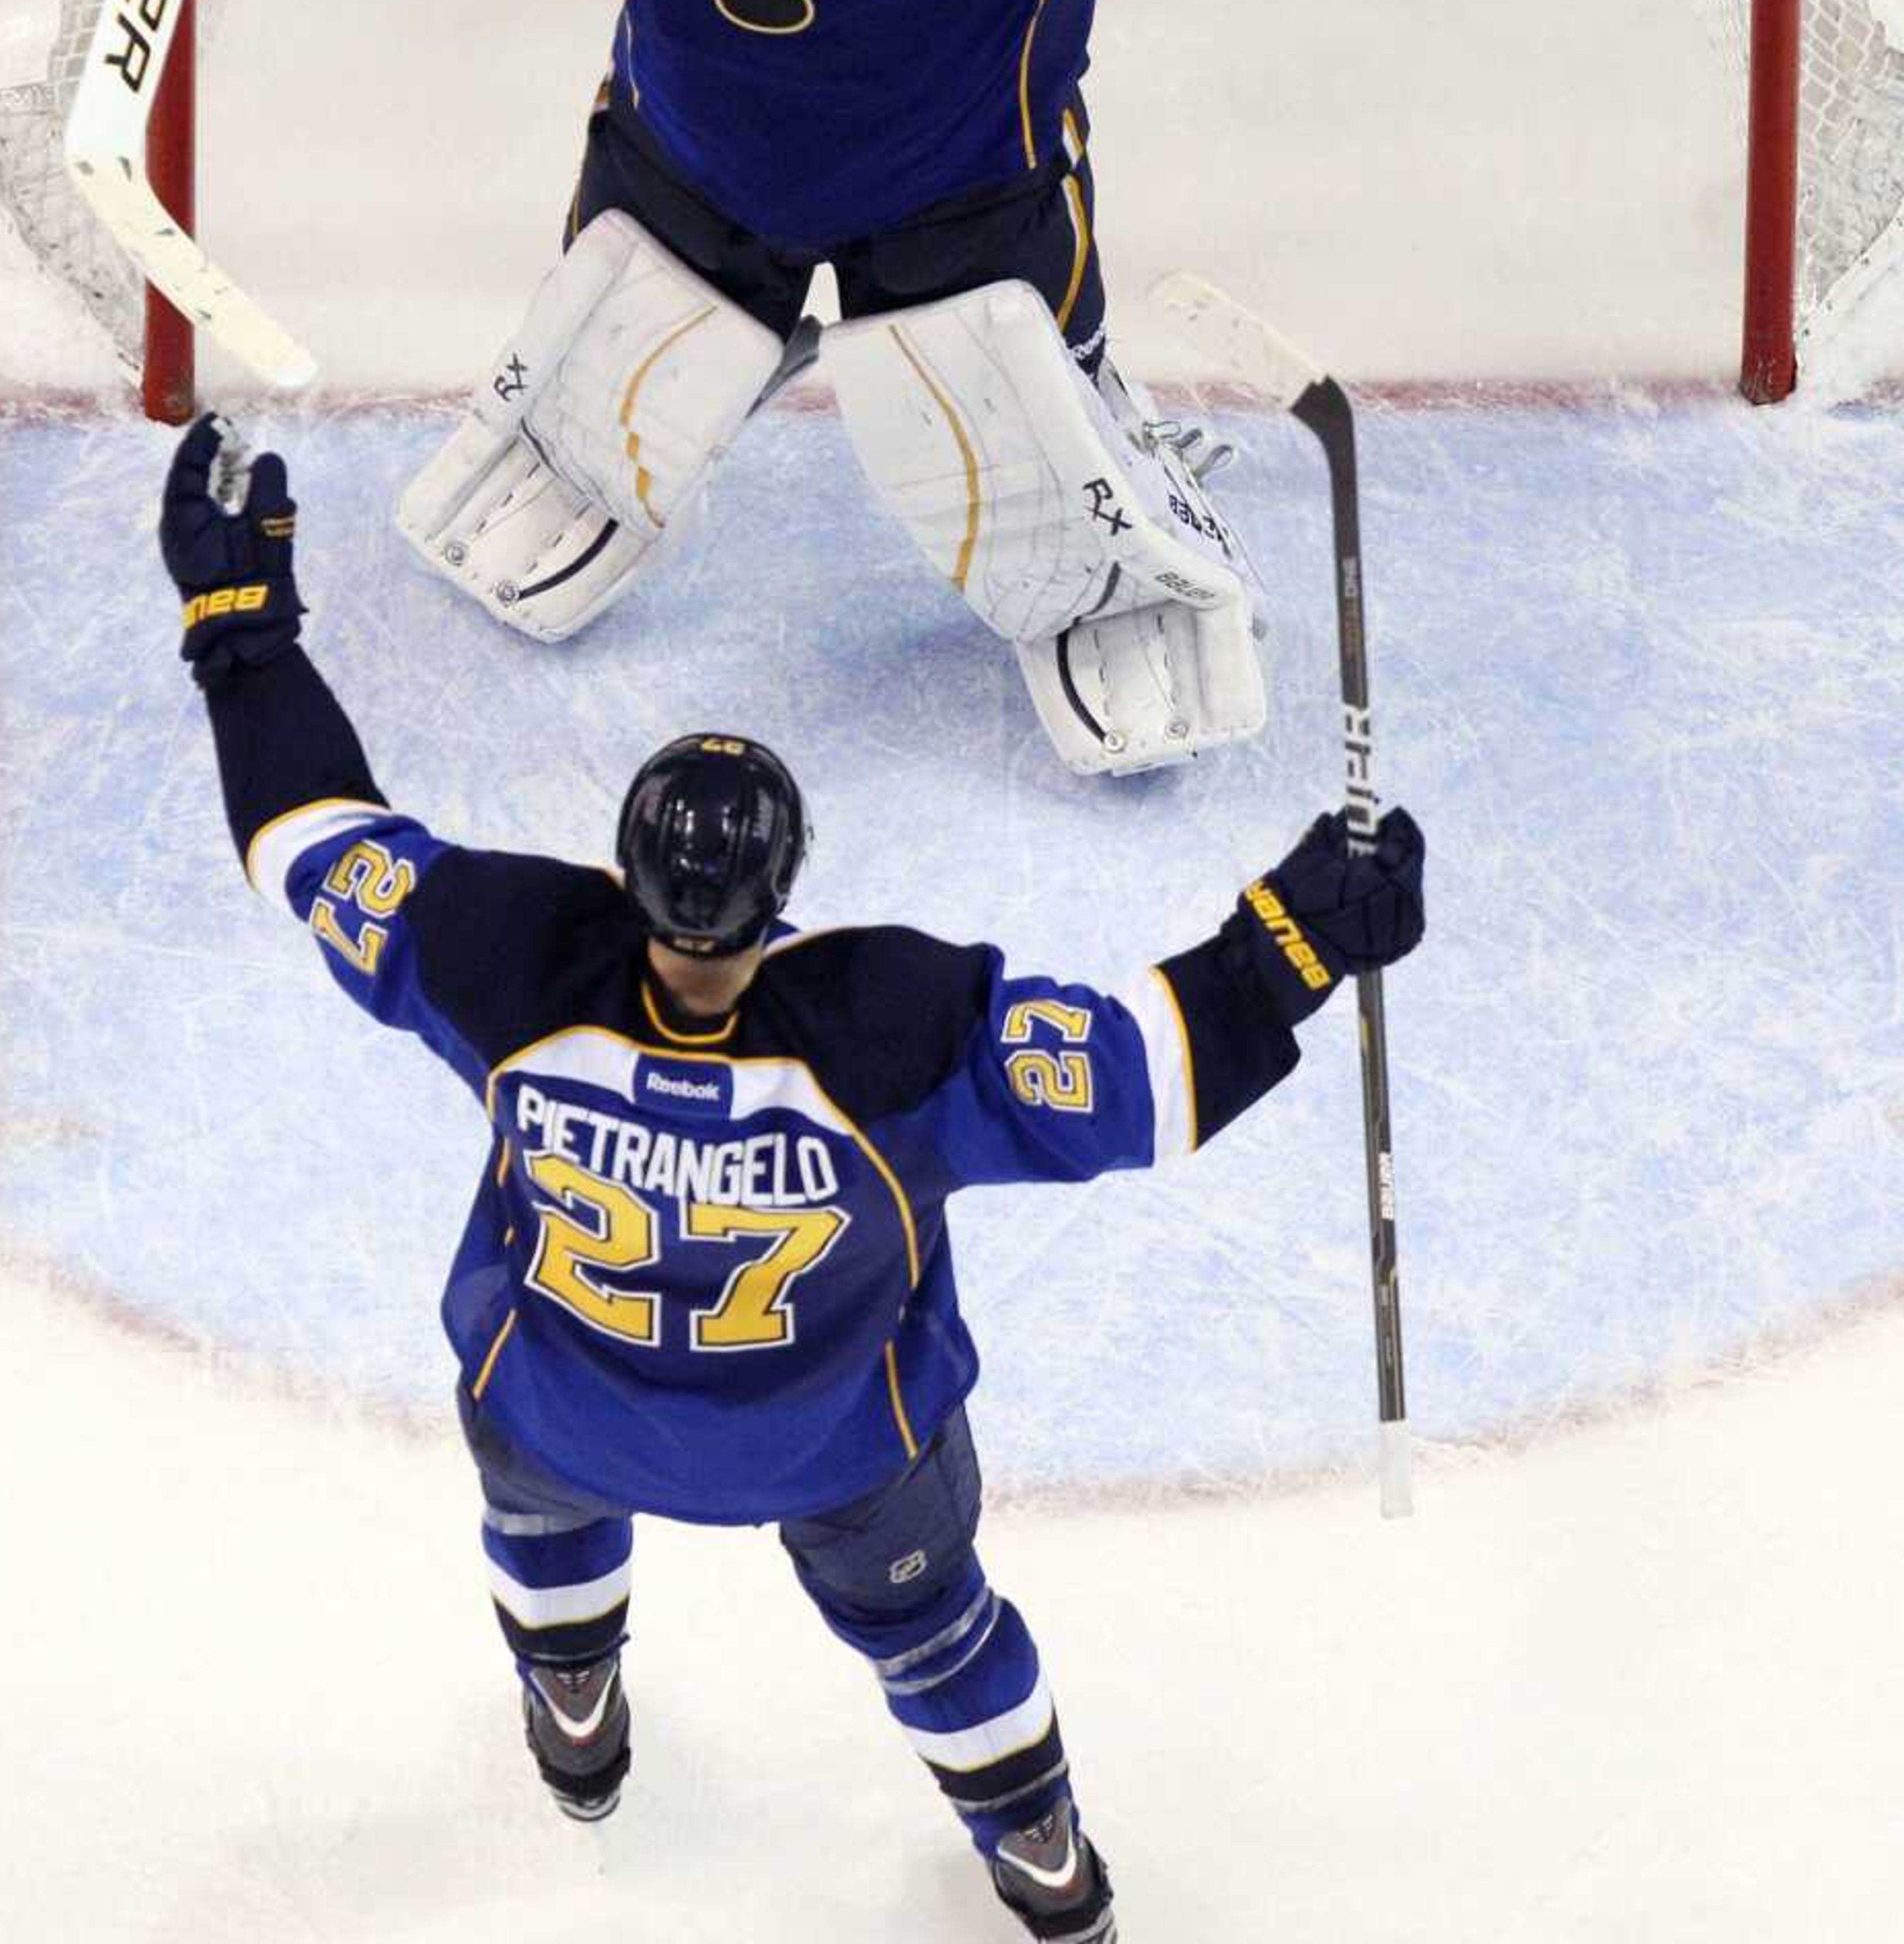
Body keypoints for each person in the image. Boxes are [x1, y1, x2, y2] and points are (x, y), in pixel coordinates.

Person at [160, 414, 1428, 1940]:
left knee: (538, 1483)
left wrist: (240, 635)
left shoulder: (502, 957)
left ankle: (574, 1701)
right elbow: (1150, 1079)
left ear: (625, 876)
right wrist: (1297, 935)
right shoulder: (890, 1027)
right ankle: (1039, 1854)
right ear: (789, 891)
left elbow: (307, 839)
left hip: (564, 1403)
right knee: (935, 1625)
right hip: (836, 1454)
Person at [133, 0, 1512, 777]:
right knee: (600, 383)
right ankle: (597, 444)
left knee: (1031, 425)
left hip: (967, 212)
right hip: (690, 171)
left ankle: (1103, 529)